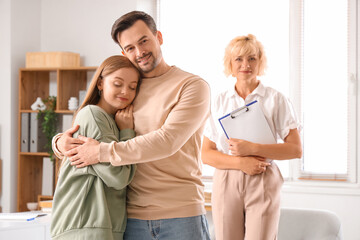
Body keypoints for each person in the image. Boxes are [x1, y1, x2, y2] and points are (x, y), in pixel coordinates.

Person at [51, 11, 211, 240]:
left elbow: (168, 141)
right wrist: (59, 142)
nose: (140, 52)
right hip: (130, 218)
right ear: (123, 52)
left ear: (159, 37)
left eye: (144, 41)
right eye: (130, 48)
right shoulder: (128, 87)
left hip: (180, 215)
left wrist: (100, 152)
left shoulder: (191, 86)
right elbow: (95, 120)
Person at [201, 34, 302, 240]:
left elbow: (295, 149)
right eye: (238, 59)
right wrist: (240, 163)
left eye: (252, 58)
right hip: (226, 178)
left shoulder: (276, 99)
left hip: (263, 175)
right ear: (230, 63)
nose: (245, 64)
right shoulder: (219, 101)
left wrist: (253, 149)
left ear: (260, 61)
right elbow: (206, 154)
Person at [50, 55, 140, 240]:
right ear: (100, 83)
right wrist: (127, 133)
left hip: (96, 226)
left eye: (133, 87)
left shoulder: (112, 120)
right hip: (85, 226)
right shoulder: (94, 115)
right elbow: (118, 177)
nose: (125, 91)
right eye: (117, 83)